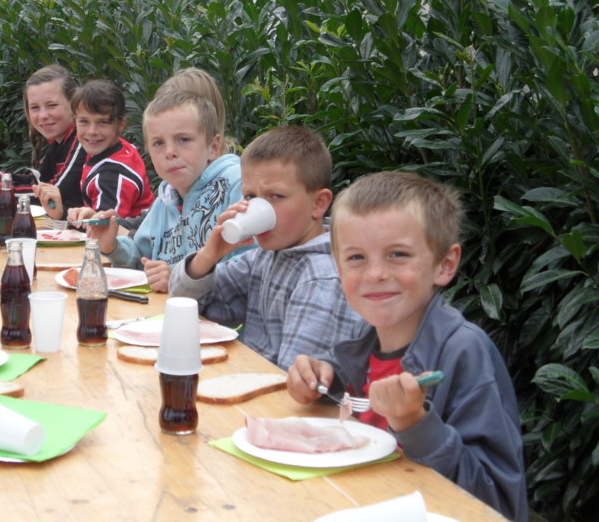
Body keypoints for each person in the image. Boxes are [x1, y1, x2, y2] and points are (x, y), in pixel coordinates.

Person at [287, 171, 528, 522]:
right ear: (337, 267)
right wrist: (326, 384)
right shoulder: (359, 351)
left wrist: (414, 422)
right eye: (356, 258)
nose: (375, 274)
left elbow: (498, 504)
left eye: (397, 254)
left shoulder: (464, 353)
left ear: (445, 265)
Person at [168, 125, 364, 370]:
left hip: (282, 400)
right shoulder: (265, 256)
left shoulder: (321, 278)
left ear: (319, 204)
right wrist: (210, 254)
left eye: (276, 196)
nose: (259, 208)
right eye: (250, 197)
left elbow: (297, 382)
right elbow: (186, 305)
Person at [86, 89, 244, 292]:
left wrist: (179, 278)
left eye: (183, 139)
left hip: (223, 321)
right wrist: (113, 246)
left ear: (213, 147)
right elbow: (142, 259)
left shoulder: (236, 185)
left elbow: (249, 268)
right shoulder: (166, 197)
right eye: (158, 143)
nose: (170, 152)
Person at [0, 64, 86, 219]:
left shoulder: (83, 142)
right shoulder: (60, 143)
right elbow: (35, 183)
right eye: (35, 108)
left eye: (52, 105)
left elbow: (48, 196)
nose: (43, 115)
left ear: (74, 105)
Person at [65, 79, 155, 221]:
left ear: (121, 125)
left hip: (133, 240)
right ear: (74, 121)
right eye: (84, 121)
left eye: (103, 122)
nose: (92, 131)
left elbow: (104, 229)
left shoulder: (111, 175)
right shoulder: (118, 147)